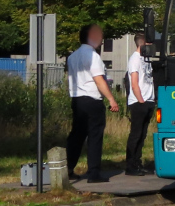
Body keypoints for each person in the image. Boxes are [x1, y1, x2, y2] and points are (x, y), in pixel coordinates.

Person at [67, 23, 120, 183]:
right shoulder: (93, 57)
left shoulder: (72, 56)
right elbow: (99, 80)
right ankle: (94, 173)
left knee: (77, 135)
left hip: (77, 99)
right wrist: (111, 99)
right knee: (95, 136)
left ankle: (68, 169)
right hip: (92, 99)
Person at [125, 33, 156, 176]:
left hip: (149, 100)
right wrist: (141, 100)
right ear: (142, 44)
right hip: (139, 102)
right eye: (149, 44)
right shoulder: (135, 60)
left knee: (142, 135)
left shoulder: (146, 59)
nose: (151, 47)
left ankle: (138, 162)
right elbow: (134, 82)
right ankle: (130, 165)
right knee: (136, 134)